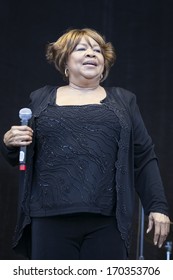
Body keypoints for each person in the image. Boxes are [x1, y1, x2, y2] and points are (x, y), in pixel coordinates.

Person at [1, 28, 170, 260]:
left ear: (105, 63)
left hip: (107, 220)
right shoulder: (40, 98)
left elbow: (143, 158)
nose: (91, 54)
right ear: (65, 62)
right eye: (81, 49)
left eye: (97, 50)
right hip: (48, 216)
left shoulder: (124, 100)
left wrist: (158, 207)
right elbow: (20, 153)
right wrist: (10, 142)